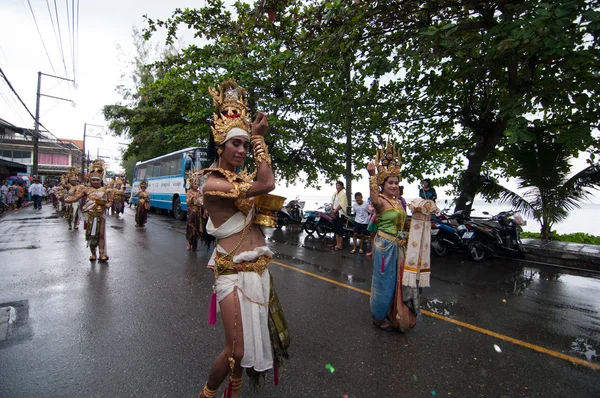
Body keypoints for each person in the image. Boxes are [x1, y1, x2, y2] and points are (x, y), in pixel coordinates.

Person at [196, 78, 289, 398]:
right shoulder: (211, 183)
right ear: (220, 145)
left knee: (247, 350)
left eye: (246, 145)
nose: (242, 150)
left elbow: (261, 196)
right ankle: (206, 394)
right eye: (236, 143)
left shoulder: (239, 178)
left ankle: (231, 394)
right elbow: (267, 182)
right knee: (235, 348)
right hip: (232, 275)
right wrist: (259, 138)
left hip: (258, 271)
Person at [65, 159, 113, 261]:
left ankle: (101, 254)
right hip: (90, 214)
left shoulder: (106, 190)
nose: (95, 182)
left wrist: (106, 205)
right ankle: (93, 254)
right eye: (93, 180)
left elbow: (110, 201)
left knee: (101, 234)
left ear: (101, 179)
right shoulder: (86, 189)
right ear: (90, 180)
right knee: (91, 234)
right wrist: (65, 199)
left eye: (97, 180)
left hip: (101, 214)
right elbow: (75, 198)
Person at [185, 173, 203, 252]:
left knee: (197, 229)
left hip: (198, 212)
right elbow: (187, 204)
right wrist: (191, 198)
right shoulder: (189, 192)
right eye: (195, 183)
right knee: (190, 228)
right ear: (192, 184)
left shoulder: (199, 193)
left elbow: (201, 202)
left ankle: (195, 246)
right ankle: (189, 244)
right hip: (191, 211)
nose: (197, 185)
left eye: (198, 184)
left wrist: (201, 202)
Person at [330, 181, 348, 251]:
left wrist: (336, 210)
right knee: (336, 229)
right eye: (336, 185)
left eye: (339, 186)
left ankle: (340, 245)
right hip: (335, 212)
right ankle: (337, 244)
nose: (337, 187)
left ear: (342, 186)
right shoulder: (335, 194)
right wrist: (332, 209)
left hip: (340, 213)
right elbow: (332, 201)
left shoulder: (343, 194)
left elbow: (342, 204)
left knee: (340, 229)